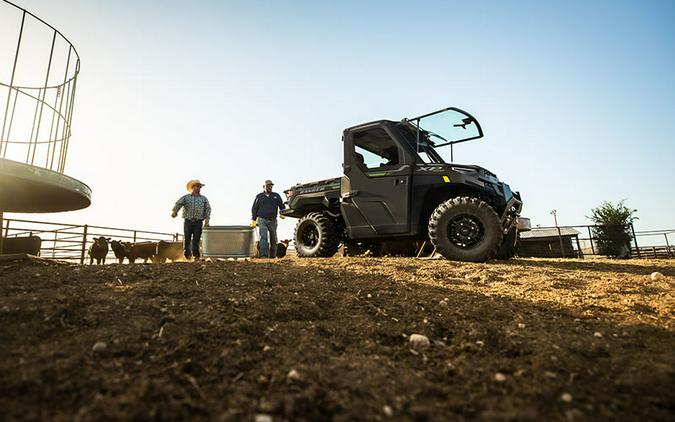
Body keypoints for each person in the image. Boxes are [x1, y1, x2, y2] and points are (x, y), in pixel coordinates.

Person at [172, 179, 211, 260]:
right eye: (198, 186)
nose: (199, 188)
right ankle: (187, 256)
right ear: (193, 187)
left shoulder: (204, 199)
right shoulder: (186, 198)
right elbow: (178, 203)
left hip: (198, 221)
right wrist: (175, 211)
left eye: (200, 187)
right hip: (188, 221)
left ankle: (196, 256)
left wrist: (207, 219)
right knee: (187, 238)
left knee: (196, 239)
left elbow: (208, 209)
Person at [251, 179, 285, 258]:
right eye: (268, 185)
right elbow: (254, 208)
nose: (270, 187)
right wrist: (253, 219)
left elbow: (281, 205)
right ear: (264, 187)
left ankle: (273, 256)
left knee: (273, 238)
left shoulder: (276, 196)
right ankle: (264, 256)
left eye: (271, 185)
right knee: (263, 238)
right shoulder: (259, 196)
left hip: (273, 220)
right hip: (262, 219)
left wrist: (282, 213)